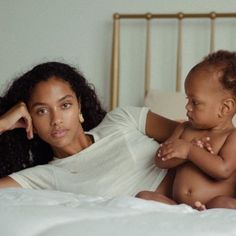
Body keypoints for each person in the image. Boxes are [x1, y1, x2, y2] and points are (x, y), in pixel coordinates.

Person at [0, 61, 178, 197]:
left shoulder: (123, 119)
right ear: (30, 121)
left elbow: (193, 134)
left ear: (79, 105)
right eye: (42, 111)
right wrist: (2, 124)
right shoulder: (43, 177)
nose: (56, 120)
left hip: (201, 189)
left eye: (65, 105)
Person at [136, 50, 236, 210]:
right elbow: (160, 160)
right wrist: (182, 154)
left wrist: (190, 151)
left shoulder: (232, 136)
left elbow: (223, 170)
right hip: (178, 207)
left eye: (195, 102)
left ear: (225, 108)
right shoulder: (184, 129)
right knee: (143, 197)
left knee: (224, 204)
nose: (187, 107)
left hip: (212, 207)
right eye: (187, 99)